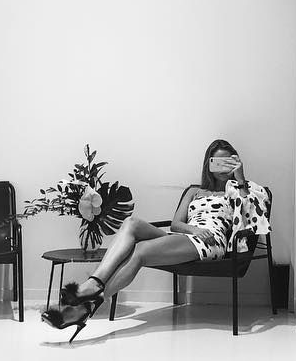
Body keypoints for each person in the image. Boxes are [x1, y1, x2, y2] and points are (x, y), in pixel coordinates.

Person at [41, 138, 271, 341]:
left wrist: (240, 178)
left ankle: (87, 303)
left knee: (140, 251)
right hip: (186, 236)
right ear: (208, 164)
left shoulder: (237, 191)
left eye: (228, 162)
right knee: (132, 223)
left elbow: (250, 215)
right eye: (218, 162)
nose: (222, 168)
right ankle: (92, 288)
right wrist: (193, 229)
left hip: (212, 241)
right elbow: (176, 224)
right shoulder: (194, 191)